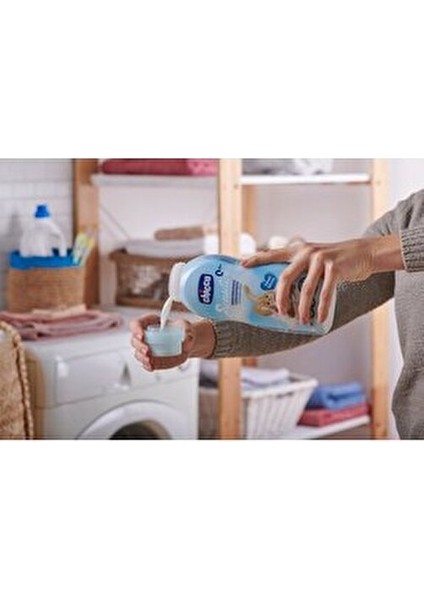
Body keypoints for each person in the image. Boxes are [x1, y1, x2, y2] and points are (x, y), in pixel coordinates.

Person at [131, 189, 424, 439]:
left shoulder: (397, 234)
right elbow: (311, 309)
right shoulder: (411, 215)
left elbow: (370, 255)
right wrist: (196, 338)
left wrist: (375, 253)